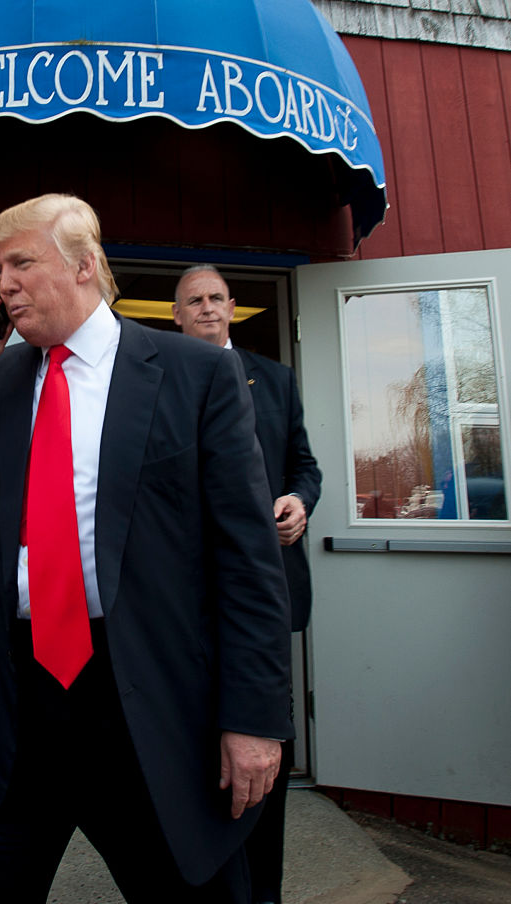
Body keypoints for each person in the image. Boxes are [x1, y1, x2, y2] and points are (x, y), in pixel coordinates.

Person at [0, 194, 294, 904]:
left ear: (86, 265)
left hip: (146, 706)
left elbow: (247, 562)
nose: (4, 282)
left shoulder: (193, 375)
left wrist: (252, 720)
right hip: (12, 709)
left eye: (22, 261)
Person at [173, 264, 322, 904]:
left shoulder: (276, 379)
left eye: (215, 298)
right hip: (189, 599)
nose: (207, 308)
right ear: (175, 315)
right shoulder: (162, 378)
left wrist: (298, 499)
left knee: (264, 739)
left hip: (270, 592)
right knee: (200, 748)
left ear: (233, 307)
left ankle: (263, 890)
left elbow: (304, 464)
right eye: (193, 302)